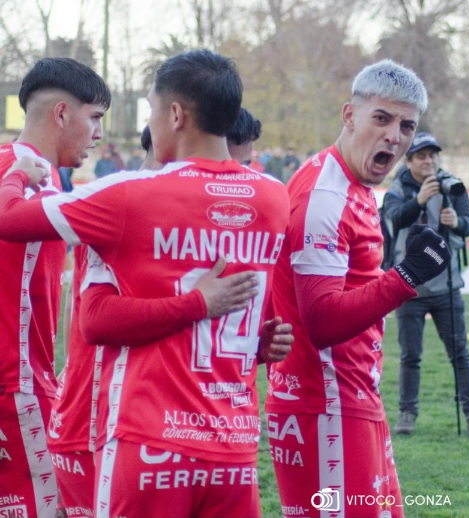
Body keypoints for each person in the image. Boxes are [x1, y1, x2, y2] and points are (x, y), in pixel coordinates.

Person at [0, 49, 292, 518]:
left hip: (148, 438)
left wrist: (16, 176)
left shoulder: (125, 196)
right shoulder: (275, 199)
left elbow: (12, 222)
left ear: (175, 115)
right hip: (234, 450)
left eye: (151, 110)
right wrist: (250, 341)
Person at [46, 119, 262, 518]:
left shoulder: (193, 220)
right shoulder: (122, 207)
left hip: (171, 430)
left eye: (244, 167)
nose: (236, 178)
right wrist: (197, 304)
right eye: (233, 164)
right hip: (96, 423)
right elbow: (92, 321)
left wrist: (256, 346)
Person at [264, 59, 451, 518]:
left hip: (350, 397)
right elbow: (322, 321)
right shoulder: (326, 197)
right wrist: (406, 276)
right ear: (349, 115)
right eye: (381, 118)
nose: (394, 136)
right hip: (325, 406)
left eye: (406, 126)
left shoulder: (355, 184)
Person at [0, 57, 110, 518]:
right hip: (17, 386)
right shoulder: (29, 182)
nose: (99, 134)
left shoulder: (14, 169)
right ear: (62, 113)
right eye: (95, 117)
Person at [382, 131, 469, 437]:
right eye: (421, 156)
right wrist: (419, 200)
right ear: (409, 161)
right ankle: (407, 414)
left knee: (460, 354)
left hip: (446, 285)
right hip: (408, 287)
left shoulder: (452, 185)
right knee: (410, 356)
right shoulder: (398, 189)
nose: (428, 161)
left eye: (432, 155)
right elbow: (394, 218)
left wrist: (458, 222)